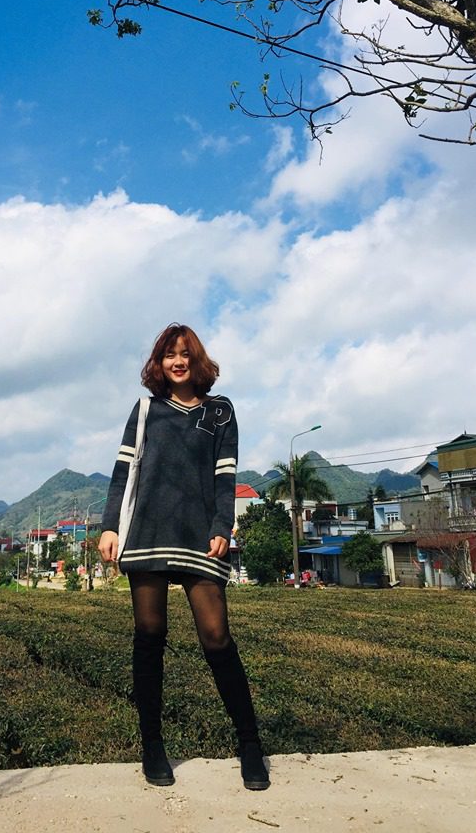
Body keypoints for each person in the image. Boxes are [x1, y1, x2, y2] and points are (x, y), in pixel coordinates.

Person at [98, 323, 269, 791]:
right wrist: (111, 525)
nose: (177, 362)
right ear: (159, 362)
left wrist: (222, 526)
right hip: (149, 531)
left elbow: (224, 474)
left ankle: (250, 744)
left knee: (217, 639)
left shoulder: (220, 411)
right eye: (169, 355)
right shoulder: (145, 409)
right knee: (149, 636)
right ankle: (152, 745)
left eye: (185, 355)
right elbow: (121, 470)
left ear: (198, 361)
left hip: (199, 535)